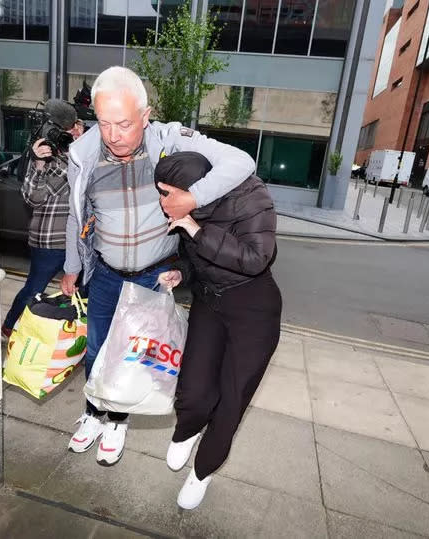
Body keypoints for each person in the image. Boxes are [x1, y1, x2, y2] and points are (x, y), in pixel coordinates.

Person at [60, 66, 255, 466]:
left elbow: (240, 162)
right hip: (105, 273)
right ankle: (94, 413)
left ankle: (118, 419)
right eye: (103, 123)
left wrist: (193, 197)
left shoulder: (170, 141)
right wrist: (70, 265)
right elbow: (74, 215)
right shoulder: (84, 154)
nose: (113, 136)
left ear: (146, 116)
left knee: (134, 355)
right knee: (97, 349)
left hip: (152, 274)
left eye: (125, 124)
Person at [155, 151, 282, 510]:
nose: (165, 204)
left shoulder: (251, 197)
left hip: (253, 308)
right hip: (210, 301)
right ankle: (189, 427)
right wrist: (182, 272)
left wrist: (195, 227)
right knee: (193, 387)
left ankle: (202, 472)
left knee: (231, 399)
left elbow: (257, 258)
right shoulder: (181, 206)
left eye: (170, 196)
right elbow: (194, 256)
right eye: (161, 195)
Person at [1, 101, 84, 341]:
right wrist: (39, 163)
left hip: (77, 238)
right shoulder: (43, 156)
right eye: (67, 130)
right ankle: (9, 326)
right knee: (34, 288)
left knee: (81, 288)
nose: (73, 133)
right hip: (49, 240)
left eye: (76, 126)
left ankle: (70, 329)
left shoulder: (80, 152)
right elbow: (33, 198)